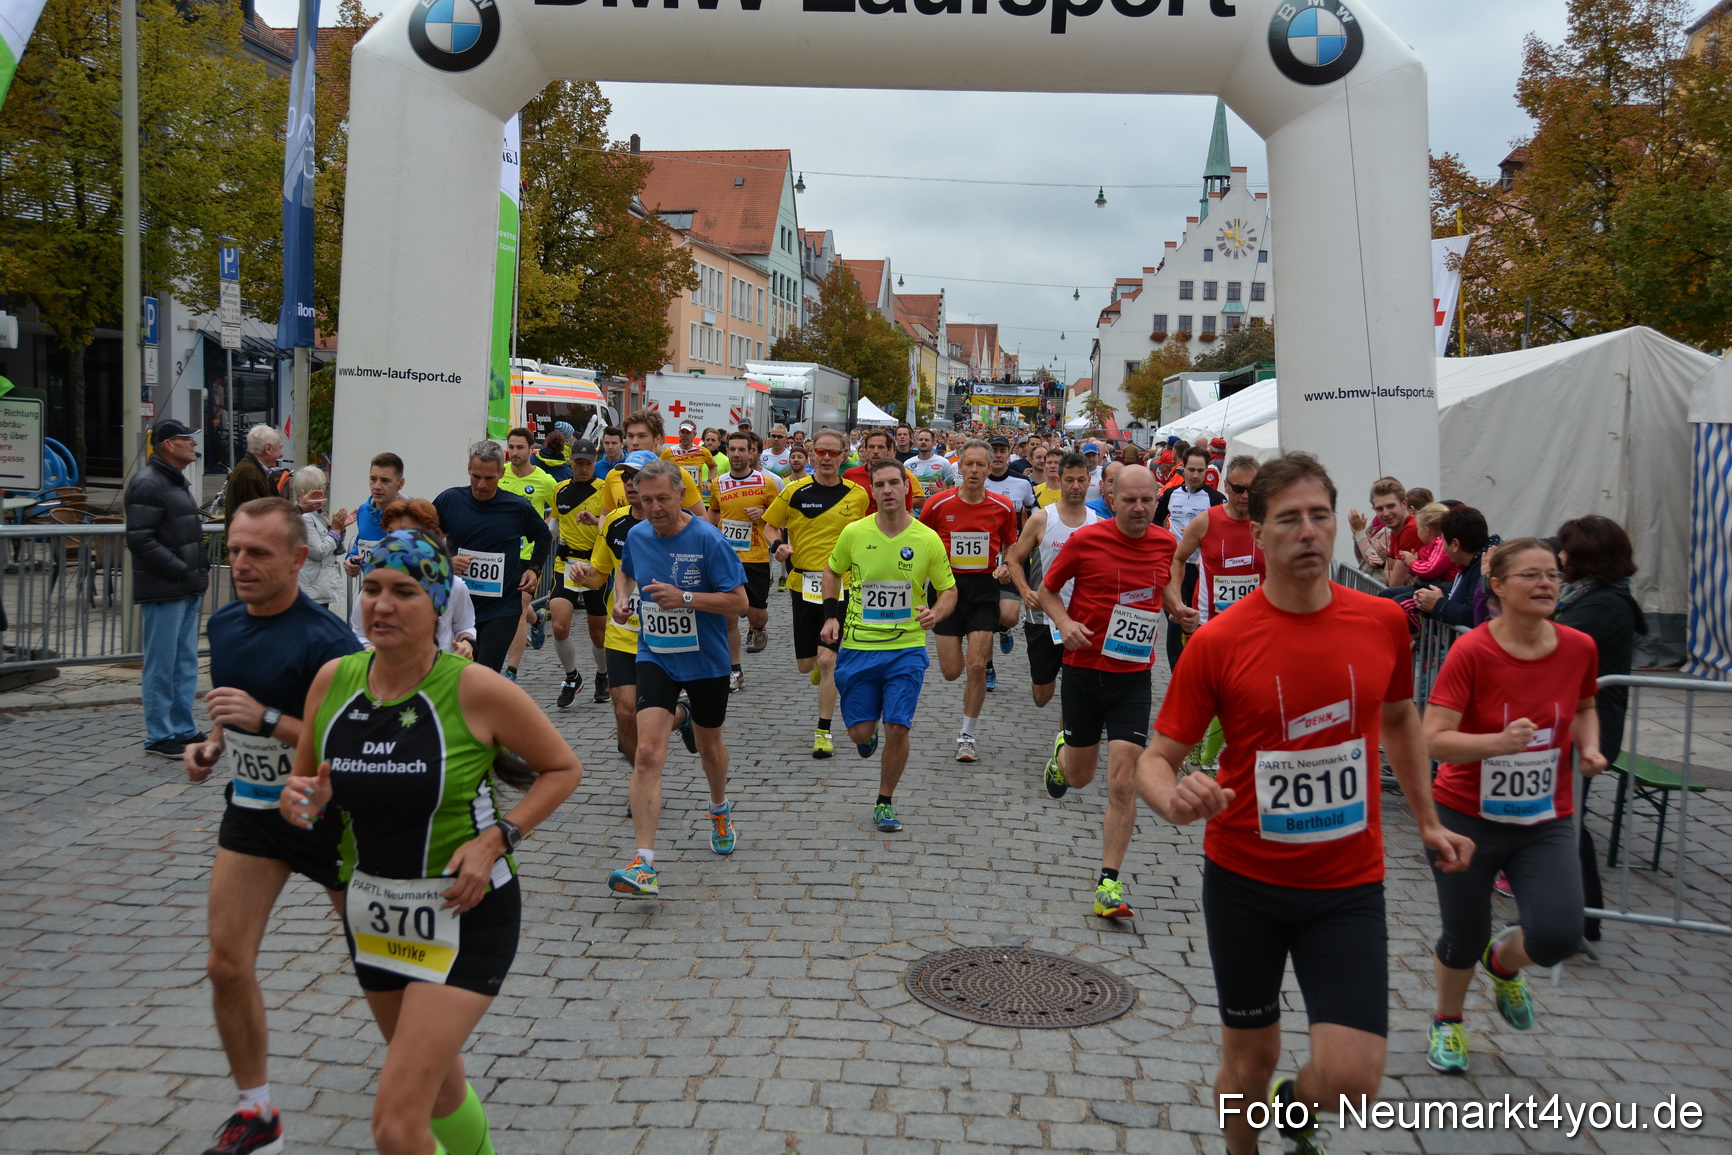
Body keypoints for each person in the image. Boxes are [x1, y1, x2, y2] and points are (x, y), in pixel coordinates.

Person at [1131, 452, 1472, 1155]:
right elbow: (1155, 760)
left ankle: (1297, 1107)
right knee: (1249, 1061)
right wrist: (1174, 798)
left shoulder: (1381, 622)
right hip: (1246, 882)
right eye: (1290, 518)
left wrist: (1430, 818)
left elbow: (1402, 718)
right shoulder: (1219, 641)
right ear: (1259, 534)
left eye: (1321, 515)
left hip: (1346, 883)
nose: (1309, 530)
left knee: (1353, 1076)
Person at [279, 529, 583, 1155]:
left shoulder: (475, 688)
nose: (382, 605)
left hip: (466, 911)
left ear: (439, 603)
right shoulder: (332, 681)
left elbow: (563, 769)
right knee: (441, 1093)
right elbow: (307, 783)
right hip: (377, 910)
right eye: (372, 589)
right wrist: (301, 798)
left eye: (405, 592)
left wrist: (499, 837)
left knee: (396, 1125)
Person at [182, 497, 361, 1155]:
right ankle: (256, 1113)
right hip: (256, 812)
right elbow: (231, 715)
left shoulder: (329, 641)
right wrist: (210, 743)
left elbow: (352, 746)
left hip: (331, 817)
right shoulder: (226, 624)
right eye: (234, 550)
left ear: (295, 558)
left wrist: (265, 720)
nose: (242, 563)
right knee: (226, 964)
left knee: (380, 969)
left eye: (258, 552)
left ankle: (431, 1086)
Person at [1420, 537, 1603, 1074]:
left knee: (1558, 932)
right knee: (1464, 933)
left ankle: (1503, 964)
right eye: (1531, 575)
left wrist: (1589, 747)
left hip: (1545, 817)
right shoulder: (1472, 651)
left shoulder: (1578, 648)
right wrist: (1494, 745)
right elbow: (1434, 738)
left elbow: (1587, 706)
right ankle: (1448, 1022)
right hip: (1465, 815)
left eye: (1553, 573)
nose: (1547, 583)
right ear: (1497, 586)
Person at [1038, 465, 1187, 920]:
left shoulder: (1166, 543)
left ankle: (1109, 882)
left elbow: (1163, 587)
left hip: (1133, 678)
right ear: (1113, 498)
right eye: (1130, 501)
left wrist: (1177, 608)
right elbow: (1048, 591)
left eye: (1148, 500)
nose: (1141, 509)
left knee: (1123, 780)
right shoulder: (1086, 541)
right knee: (1081, 776)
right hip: (1083, 671)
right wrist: (1064, 623)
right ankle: (1063, 757)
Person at [606, 460, 749, 897]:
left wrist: (685, 597)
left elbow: (739, 602)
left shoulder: (708, 538)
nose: (654, 508)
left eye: (662, 499)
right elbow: (626, 571)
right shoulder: (636, 535)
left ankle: (719, 807)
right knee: (648, 751)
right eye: (645, 500)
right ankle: (643, 862)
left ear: (680, 495)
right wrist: (623, 598)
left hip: (706, 659)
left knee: (710, 746)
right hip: (656, 654)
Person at [823, 460, 958, 831]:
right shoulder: (854, 533)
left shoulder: (926, 539)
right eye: (879, 484)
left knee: (898, 726)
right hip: (859, 645)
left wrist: (936, 613)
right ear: (873, 490)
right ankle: (868, 734)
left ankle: (885, 800)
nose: (886, 490)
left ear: (906, 488)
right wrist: (831, 616)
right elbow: (833, 571)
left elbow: (948, 589)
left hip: (907, 648)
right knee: (860, 733)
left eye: (893, 483)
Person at [1552, 515, 1644, 942]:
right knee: (1563, 817)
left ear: (1586, 555)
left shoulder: (1604, 603)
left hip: (1589, 725)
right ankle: (1578, 916)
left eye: (1566, 548)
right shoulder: (1588, 595)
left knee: (1565, 820)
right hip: (1571, 721)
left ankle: (1581, 918)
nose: (1560, 555)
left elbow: (1552, 642)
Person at [763, 428, 872, 758]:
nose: (826, 458)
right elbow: (769, 525)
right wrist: (778, 544)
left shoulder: (858, 495)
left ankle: (823, 731)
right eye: (820, 452)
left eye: (832, 453)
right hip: (802, 584)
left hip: (843, 586)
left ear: (843, 455)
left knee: (828, 662)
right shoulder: (794, 492)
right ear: (812, 455)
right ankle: (820, 663)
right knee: (807, 664)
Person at [919, 439, 1020, 762]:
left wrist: (1006, 565)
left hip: (983, 590)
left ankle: (967, 734)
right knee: (951, 671)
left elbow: (1011, 546)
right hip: (947, 589)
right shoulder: (937, 504)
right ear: (958, 467)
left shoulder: (1003, 507)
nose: (974, 470)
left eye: (981, 465)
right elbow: (920, 543)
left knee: (976, 666)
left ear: (990, 469)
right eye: (969, 464)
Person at [1166, 455, 1263, 771]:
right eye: (1238, 488)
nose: (1245, 495)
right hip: (1208, 624)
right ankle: (1192, 744)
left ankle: (1209, 757)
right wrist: (1179, 602)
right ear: (1225, 486)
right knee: (1203, 692)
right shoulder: (1207, 520)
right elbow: (1178, 559)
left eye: (1253, 488)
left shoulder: (1268, 524)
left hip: (1252, 628)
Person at [125, 418, 212, 758]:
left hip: (184, 585)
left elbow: (185, 533)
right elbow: (140, 539)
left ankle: (182, 726)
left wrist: (196, 568)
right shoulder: (150, 483)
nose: (193, 444)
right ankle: (159, 734)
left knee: (184, 662)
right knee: (162, 664)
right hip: (166, 587)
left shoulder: (172, 480)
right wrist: (180, 569)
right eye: (185, 438)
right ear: (166, 445)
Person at [433, 440, 552, 673]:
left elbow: (543, 536)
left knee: (484, 674)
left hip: (501, 608)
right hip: (459, 605)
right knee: (456, 673)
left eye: (489, 478)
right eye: (476, 476)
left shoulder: (516, 507)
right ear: (468, 468)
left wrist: (533, 568)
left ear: (501, 472)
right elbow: (424, 538)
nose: (481, 485)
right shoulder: (449, 500)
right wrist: (445, 560)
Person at [572, 451, 656, 763]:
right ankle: (641, 776)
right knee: (625, 707)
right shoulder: (614, 524)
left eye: (637, 477)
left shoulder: (677, 523)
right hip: (622, 630)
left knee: (652, 712)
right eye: (625, 477)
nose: (630, 483)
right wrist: (583, 577)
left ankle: (680, 719)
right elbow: (598, 578)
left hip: (665, 635)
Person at [1006, 452, 1099, 711]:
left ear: (1089, 480)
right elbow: (1014, 560)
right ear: (1060, 479)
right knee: (1042, 696)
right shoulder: (1042, 519)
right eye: (1070, 480)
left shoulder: (1097, 524)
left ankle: (1066, 746)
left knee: (1075, 690)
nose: (1076, 486)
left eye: (1081, 480)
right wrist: (1025, 591)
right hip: (1042, 619)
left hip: (1081, 621)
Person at [347, 498, 476, 658]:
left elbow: (465, 626)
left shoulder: (453, 585)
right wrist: (369, 650)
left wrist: (466, 643)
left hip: (439, 675)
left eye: (407, 534)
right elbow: (359, 630)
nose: (396, 542)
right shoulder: (375, 585)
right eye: (390, 533)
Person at [712, 430, 783, 687]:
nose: (737, 454)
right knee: (729, 617)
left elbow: (780, 521)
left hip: (756, 558)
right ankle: (734, 670)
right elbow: (712, 517)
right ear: (727, 451)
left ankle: (758, 628)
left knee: (756, 614)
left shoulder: (767, 483)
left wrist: (763, 512)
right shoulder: (718, 483)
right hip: (726, 558)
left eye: (743, 450)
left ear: (752, 453)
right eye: (732, 450)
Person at [549, 440, 611, 707]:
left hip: (595, 567)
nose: (583, 468)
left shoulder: (605, 489)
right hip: (565, 565)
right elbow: (552, 527)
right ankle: (572, 677)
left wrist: (595, 520)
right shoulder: (560, 489)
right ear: (571, 462)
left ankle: (603, 675)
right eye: (578, 463)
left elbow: (612, 525)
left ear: (595, 462)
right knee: (559, 625)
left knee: (598, 633)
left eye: (588, 463)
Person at [497, 427, 560, 680]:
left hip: (530, 554)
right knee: (517, 607)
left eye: (519, 447)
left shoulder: (544, 480)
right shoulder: (500, 476)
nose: (514, 452)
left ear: (530, 450)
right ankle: (537, 620)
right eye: (511, 447)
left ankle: (511, 670)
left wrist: (549, 527)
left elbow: (560, 505)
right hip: (502, 552)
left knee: (518, 608)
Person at [1155, 447, 1226, 670]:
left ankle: (1196, 667)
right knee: (1174, 622)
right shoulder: (1170, 494)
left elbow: (1224, 533)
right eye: (1191, 470)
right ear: (1182, 468)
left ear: (1207, 472)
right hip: (1173, 568)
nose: (1195, 475)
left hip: (1199, 570)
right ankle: (1177, 673)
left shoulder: (1215, 498)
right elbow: (1155, 524)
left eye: (1201, 471)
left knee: (1196, 622)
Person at [604, 410, 706, 514]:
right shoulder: (614, 475)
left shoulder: (678, 474)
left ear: (658, 438)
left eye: (642, 436)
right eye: (630, 436)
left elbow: (701, 516)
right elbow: (606, 516)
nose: (634, 442)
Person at [1413, 506, 1492, 627]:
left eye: (1443, 540)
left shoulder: (1484, 567)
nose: (1442, 546)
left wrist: (1438, 604)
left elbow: (1474, 615)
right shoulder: (1471, 562)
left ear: (1455, 544)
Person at [292, 465, 351, 611]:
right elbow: (319, 551)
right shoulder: (305, 517)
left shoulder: (317, 513)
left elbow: (332, 546)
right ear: (317, 489)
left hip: (317, 588)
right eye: (324, 485)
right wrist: (336, 530)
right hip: (311, 590)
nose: (325, 489)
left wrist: (340, 528)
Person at [344, 453, 407, 578]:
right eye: (373, 479)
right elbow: (361, 543)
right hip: (370, 592)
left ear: (400, 483)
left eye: (385, 481)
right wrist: (350, 559)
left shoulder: (412, 516)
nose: (377, 486)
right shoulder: (363, 511)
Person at [1348, 476, 1420, 583]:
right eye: (1379, 509)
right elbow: (1365, 562)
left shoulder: (1411, 528)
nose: (1386, 514)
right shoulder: (1395, 529)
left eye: (1391, 506)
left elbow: (1393, 584)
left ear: (1404, 503)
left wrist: (1359, 533)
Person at [844, 428, 926, 512]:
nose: (875, 451)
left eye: (881, 447)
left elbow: (911, 510)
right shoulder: (850, 475)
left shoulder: (902, 476)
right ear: (865, 449)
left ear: (889, 450)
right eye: (871, 447)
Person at [225, 425, 289, 525]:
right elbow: (262, 519)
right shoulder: (249, 474)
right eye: (280, 448)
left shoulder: (260, 472)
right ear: (268, 449)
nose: (282, 454)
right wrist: (300, 509)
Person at [903, 428, 959, 506]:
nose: (923, 442)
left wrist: (941, 490)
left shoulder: (943, 462)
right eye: (920, 439)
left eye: (926, 440)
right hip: (915, 511)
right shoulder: (908, 464)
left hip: (936, 508)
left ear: (933, 443)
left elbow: (953, 486)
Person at [671, 419, 719, 505]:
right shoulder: (669, 452)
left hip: (695, 499)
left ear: (695, 434)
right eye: (683, 432)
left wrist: (710, 481)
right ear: (679, 433)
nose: (685, 435)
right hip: (675, 498)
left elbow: (713, 466)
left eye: (688, 433)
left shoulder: (703, 452)